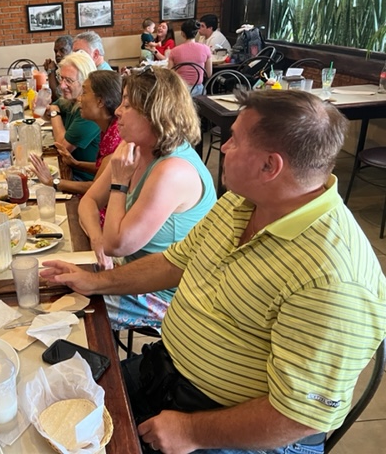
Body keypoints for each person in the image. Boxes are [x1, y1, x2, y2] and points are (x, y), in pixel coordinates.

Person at [40, 89, 386, 454]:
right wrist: (95, 281)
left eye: (234, 140)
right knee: (55, 415)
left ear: (270, 166)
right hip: (169, 375)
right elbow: (176, 262)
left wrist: (192, 431)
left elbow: (301, 417)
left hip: (241, 432)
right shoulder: (243, 201)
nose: (223, 147)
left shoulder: (333, 277)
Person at [78, 67, 216, 330]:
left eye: (128, 105)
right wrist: (96, 239)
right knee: (56, 278)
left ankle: (102, 368)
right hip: (131, 273)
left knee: (70, 304)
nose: (117, 111)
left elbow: (117, 246)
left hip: (168, 296)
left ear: (156, 114)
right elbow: (89, 202)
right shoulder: (133, 147)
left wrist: (119, 183)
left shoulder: (172, 170)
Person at [30, 70, 122, 202]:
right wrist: (77, 163)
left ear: (100, 101)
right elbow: (106, 169)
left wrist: (53, 182)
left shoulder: (116, 138)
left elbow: (97, 187)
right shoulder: (108, 128)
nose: (79, 99)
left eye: (84, 93)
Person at [45, 51, 100, 182]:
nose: (62, 85)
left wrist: (54, 111)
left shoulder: (89, 111)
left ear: (85, 82)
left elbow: (62, 147)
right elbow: (48, 114)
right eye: (61, 78)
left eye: (68, 80)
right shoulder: (70, 99)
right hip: (68, 168)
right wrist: (49, 109)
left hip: (84, 179)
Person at [169, 20, 213, 96]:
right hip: (199, 92)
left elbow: (170, 75)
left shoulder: (174, 51)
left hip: (180, 91)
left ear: (182, 33)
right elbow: (208, 74)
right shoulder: (206, 49)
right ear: (196, 33)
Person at [43, 35, 73, 102]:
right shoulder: (61, 67)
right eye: (56, 51)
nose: (57, 54)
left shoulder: (73, 70)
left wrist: (51, 72)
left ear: (72, 51)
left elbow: (58, 98)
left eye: (62, 50)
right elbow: (58, 91)